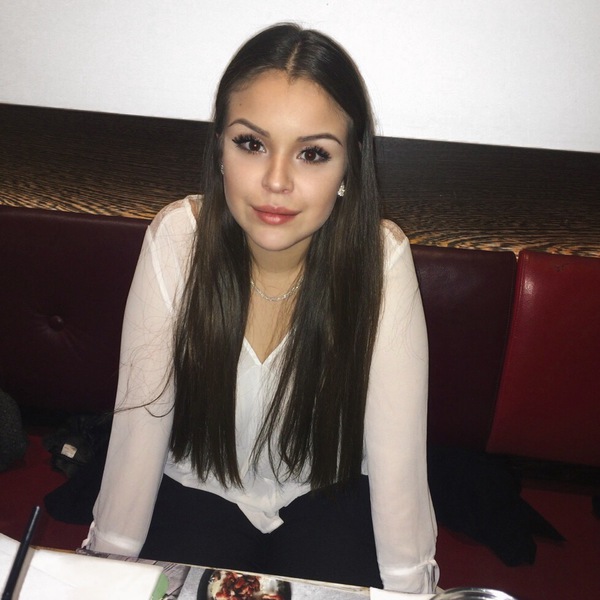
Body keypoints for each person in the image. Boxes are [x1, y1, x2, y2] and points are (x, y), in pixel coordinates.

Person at [84, 23, 439, 593]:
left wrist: (410, 588)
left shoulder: (382, 259)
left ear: (348, 169)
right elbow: (139, 428)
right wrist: (105, 571)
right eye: (251, 144)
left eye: (313, 154)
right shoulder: (178, 239)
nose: (276, 181)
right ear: (219, 149)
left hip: (327, 494)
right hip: (196, 483)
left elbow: (398, 464)